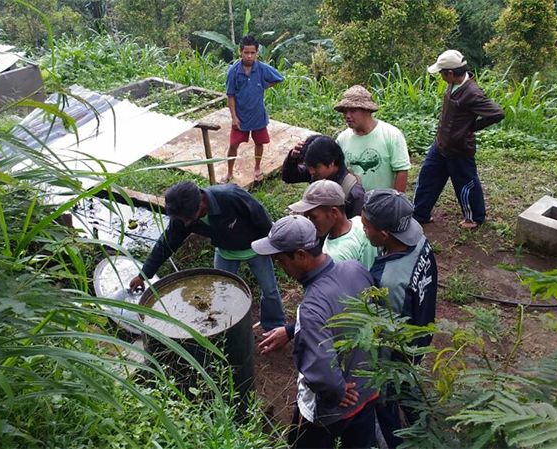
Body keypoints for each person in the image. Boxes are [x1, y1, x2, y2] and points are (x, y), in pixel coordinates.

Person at [251, 215, 378, 448]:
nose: (280, 267)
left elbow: (320, 367)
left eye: (280, 260)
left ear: (301, 255)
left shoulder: (311, 308)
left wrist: (337, 392)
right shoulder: (355, 268)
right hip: (367, 387)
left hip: (334, 407)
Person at [129, 181, 285, 331]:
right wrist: (143, 275)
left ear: (200, 203)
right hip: (226, 252)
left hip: (255, 248)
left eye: (188, 219)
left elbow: (261, 218)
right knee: (221, 291)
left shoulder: (230, 196)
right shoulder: (183, 217)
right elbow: (166, 243)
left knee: (269, 289)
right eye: (182, 220)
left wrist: (273, 249)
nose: (186, 224)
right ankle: (228, 326)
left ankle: (275, 327)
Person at [359, 189, 438, 449]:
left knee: (387, 406)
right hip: (419, 337)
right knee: (409, 384)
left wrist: (377, 383)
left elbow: (386, 336)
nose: (363, 229)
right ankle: (422, 427)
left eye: (366, 226)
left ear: (384, 235)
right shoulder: (418, 240)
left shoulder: (390, 281)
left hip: (394, 357)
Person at [413, 50, 505, 229]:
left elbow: (497, 113)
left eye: (441, 73)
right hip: (441, 144)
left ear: (450, 73)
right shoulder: (453, 84)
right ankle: (419, 213)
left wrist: (472, 127)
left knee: (465, 184)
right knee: (426, 179)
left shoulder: (472, 92)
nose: (440, 76)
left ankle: (475, 217)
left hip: (459, 149)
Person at [222, 34, 284, 184]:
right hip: (240, 116)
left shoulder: (262, 68)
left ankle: (257, 167)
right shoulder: (234, 71)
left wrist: (264, 85)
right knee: (233, 145)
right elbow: (230, 95)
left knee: (259, 143)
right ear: (240, 52)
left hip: (257, 115)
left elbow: (279, 78)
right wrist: (234, 117)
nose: (249, 56)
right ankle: (229, 172)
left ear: (257, 53)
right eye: (246, 52)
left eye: (253, 53)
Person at [334, 85, 411, 192]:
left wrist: (395, 200)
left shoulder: (391, 135)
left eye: (353, 110)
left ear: (367, 110)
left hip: (383, 202)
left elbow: (401, 170)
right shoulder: (342, 139)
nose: (347, 115)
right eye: (345, 111)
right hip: (353, 202)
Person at [288, 180, 377, 269]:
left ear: (334, 212)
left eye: (314, 217)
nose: (310, 222)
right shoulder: (359, 223)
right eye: (307, 217)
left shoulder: (334, 256)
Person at [282, 134, 365, 218]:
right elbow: (289, 177)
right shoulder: (317, 174)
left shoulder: (353, 193)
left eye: (315, 167)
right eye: (308, 166)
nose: (311, 172)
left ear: (331, 162)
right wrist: (292, 158)